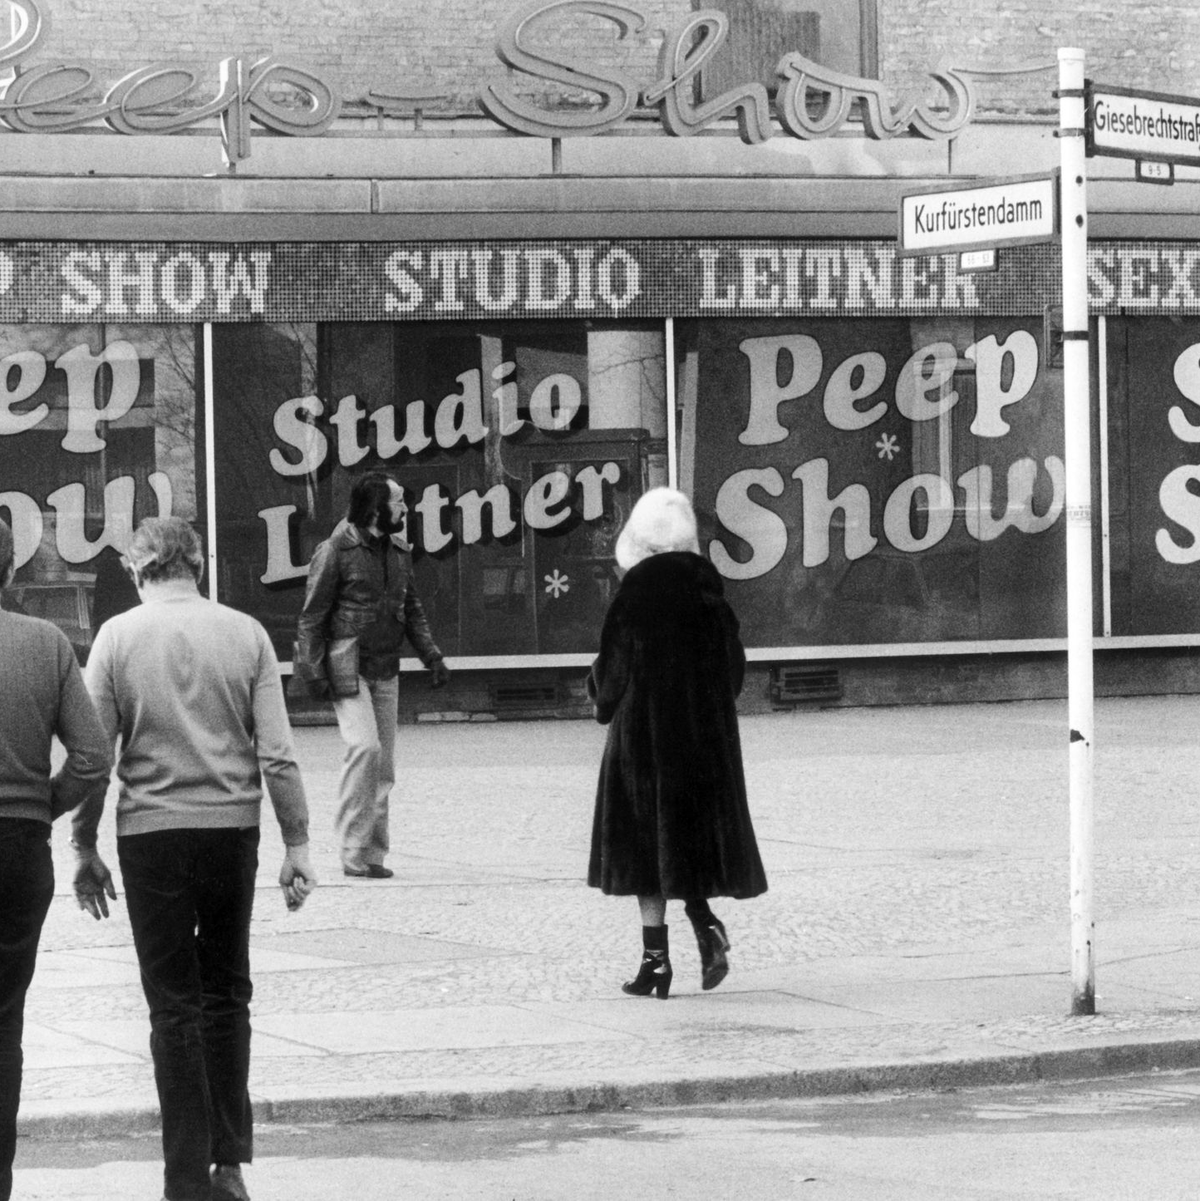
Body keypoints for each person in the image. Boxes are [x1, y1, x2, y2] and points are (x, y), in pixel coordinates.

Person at [70, 517, 317, 1201]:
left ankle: (184, 1176)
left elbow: (95, 758)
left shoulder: (117, 637)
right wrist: (296, 841)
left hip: (149, 835)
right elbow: (277, 752)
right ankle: (228, 1162)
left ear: (135, 565)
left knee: (172, 1005)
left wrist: (84, 843)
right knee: (227, 992)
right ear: (199, 563)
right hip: (231, 831)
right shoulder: (247, 634)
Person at [587, 488, 767, 1000]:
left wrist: (598, 698)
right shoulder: (711, 594)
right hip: (703, 742)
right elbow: (733, 672)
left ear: (639, 542)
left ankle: (656, 965)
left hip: (644, 743)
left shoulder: (634, 596)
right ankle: (704, 920)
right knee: (686, 840)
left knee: (646, 851)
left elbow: (612, 675)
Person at [0, 519, 112, 1201]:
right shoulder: (46, 644)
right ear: (11, 571)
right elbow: (94, 755)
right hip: (18, 848)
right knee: (4, 1020)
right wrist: (44, 804)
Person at [295, 469, 450, 879]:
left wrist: (431, 655)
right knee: (364, 749)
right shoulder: (335, 549)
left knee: (384, 767)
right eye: (399, 501)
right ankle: (350, 849)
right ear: (376, 508)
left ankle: (373, 855)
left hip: (387, 667)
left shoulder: (398, 550)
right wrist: (313, 671)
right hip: (349, 668)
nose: (405, 508)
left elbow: (411, 607)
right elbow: (312, 616)